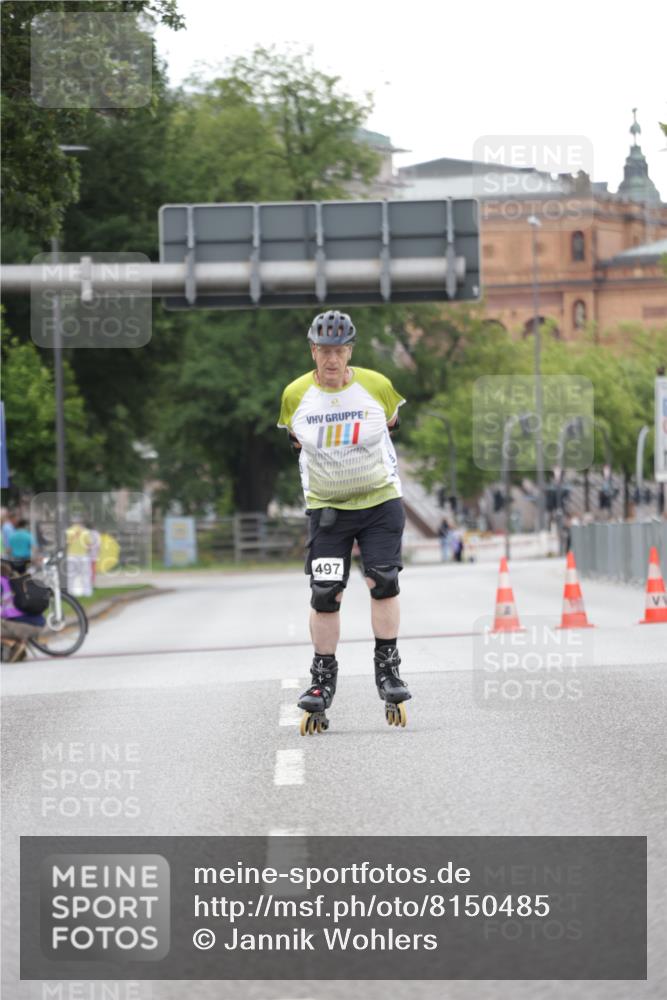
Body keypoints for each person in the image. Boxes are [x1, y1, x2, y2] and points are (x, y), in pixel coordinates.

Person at [278, 309, 411, 732]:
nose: (331, 359)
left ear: (349, 351)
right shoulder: (295, 395)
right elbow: (294, 441)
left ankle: (388, 670)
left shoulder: (377, 386)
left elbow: (391, 425)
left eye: (339, 351)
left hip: (379, 502)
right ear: (313, 352)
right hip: (328, 510)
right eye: (323, 351)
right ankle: (321, 681)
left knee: (383, 580)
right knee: (325, 592)